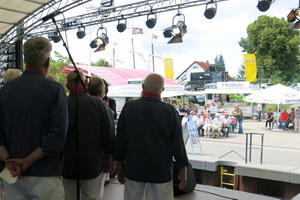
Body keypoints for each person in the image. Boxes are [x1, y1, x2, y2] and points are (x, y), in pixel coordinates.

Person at [0, 36, 68, 199]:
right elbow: (58, 135)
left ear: (25, 59)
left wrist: (8, 160)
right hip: (45, 175)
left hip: (12, 174)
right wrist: (27, 161)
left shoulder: (5, 91)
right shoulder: (54, 90)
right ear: (47, 61)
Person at [114, 73, 189, 200]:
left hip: (134, 167)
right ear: (163, 90)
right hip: (161, 169)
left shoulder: (129, 107)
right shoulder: (170, 111)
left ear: (142, 87)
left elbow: (121, 139)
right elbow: (177, 143)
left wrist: (119, 164)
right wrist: (183, 167)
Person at [63, 71, 114, 200]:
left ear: (68, 86)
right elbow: (108, 135)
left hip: (66, 166)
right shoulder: (99, 105)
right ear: (86, 82)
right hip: (93, 165)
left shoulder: (61, 104)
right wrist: (109, 159)